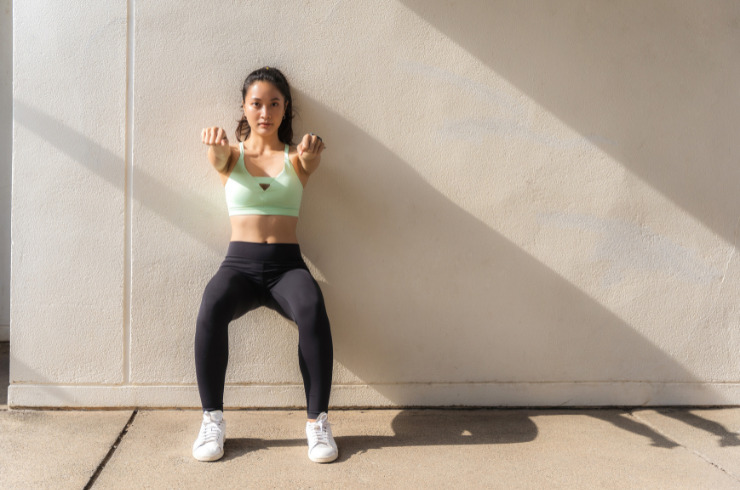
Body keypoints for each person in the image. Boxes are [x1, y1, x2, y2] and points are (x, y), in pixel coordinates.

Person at [192, 67, 337, 463]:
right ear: (244, 107)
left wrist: (311, 153)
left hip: (287, 268)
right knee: (211, 304)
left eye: (274, 103)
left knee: (311, 308)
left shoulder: (298, 157)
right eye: (256, 103)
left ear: (285, 108)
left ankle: (317, 424)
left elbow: (309, 161)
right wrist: (214, 142)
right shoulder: (229, 156)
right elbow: (218, 155)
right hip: (239, 266)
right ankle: (212, 421)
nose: (265, 112)